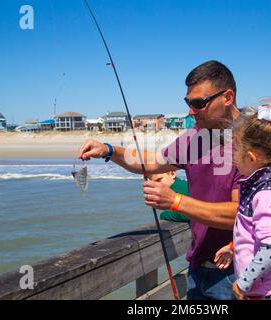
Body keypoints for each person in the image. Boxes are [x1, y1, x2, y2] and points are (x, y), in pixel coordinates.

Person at [78, 60, 242, 300]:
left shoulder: (252, 141)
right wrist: (109, 150)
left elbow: (242, 215)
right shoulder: (195, 138)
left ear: (227, 97)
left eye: (199, 103)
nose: (190, 111)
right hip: (198, 269)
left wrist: (175, 201)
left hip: (239, 273)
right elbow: (151, 161)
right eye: (188, 102)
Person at [213, 100, 271, 300]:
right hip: (269, 285)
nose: (233, 159)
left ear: (252, 158)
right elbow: (257, 231)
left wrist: (244, 282)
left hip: (266, 292)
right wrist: (233, 247)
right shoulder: (269, 183)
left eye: (236, 151)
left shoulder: (266, 194)